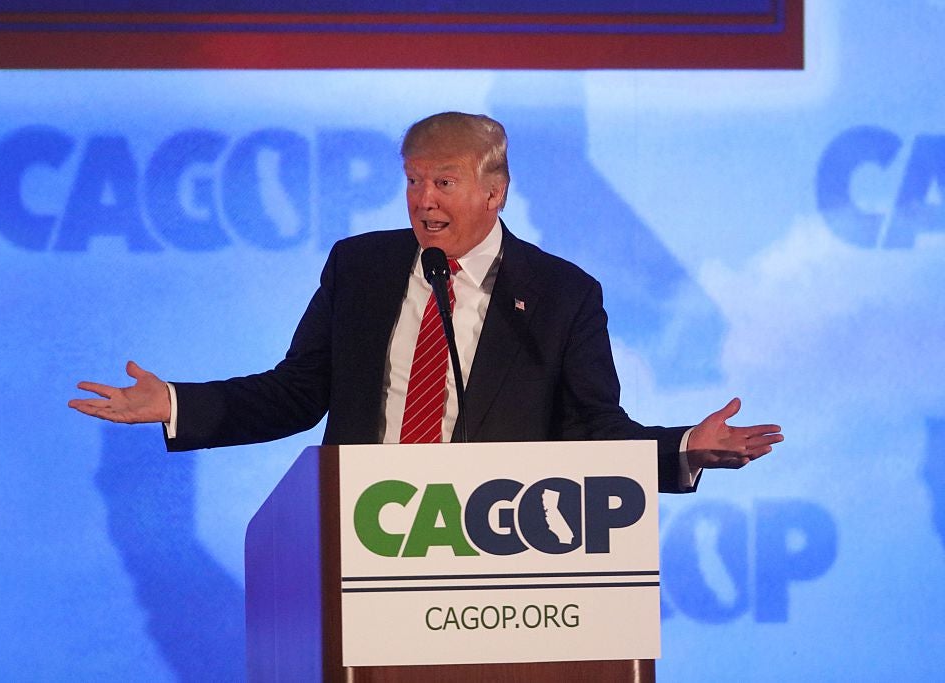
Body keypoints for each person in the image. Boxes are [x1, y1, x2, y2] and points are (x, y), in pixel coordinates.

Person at [69, 112, 782, 493]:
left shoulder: (563, 295)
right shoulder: (362, 267)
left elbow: (591, 430)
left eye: (442, 182)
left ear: (494, 191)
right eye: (413, 182)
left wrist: (683, 446)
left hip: (499, 562)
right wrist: (175, 403)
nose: (423, 200)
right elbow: (296, 392)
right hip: (361, 540)